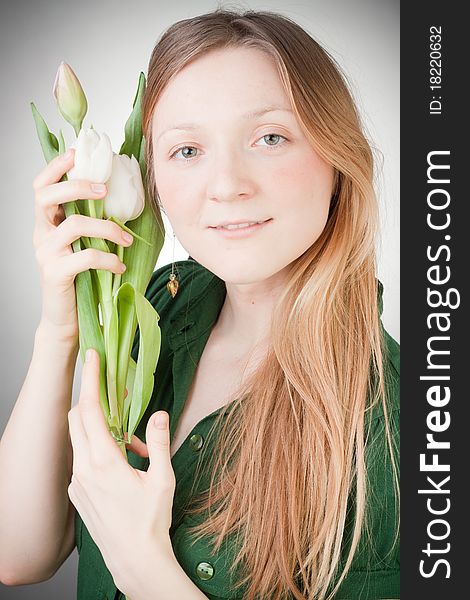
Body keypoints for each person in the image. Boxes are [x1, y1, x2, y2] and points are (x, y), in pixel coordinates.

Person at [0, 8, 399, 600]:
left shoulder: (397, 428)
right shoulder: (157, 306)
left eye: (270, 137)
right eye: (187, 149)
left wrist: (145, 566)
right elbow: (19, 555)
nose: (227, 184)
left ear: (338, 157)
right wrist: (61, 326)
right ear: (153, 177)